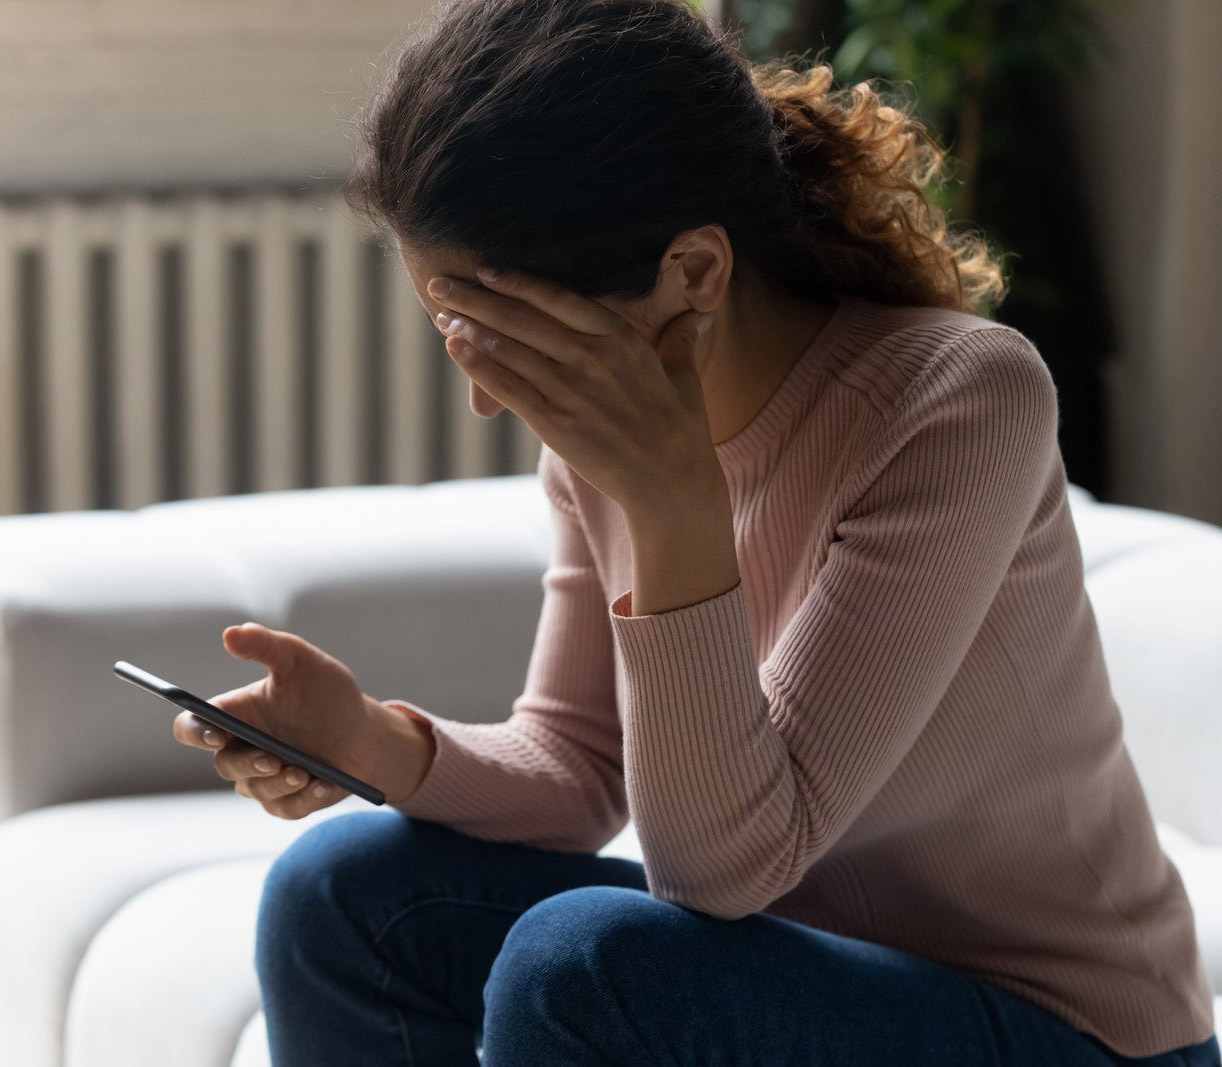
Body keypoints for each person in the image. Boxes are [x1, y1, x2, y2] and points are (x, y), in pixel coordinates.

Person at [172, 0, 1222, 1062]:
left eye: (507, 335)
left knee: (582, 959)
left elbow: (723, 869)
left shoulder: (953, 400)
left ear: (693, 274)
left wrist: (675, 503)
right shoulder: (591, 441)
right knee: (345, 891)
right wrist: (371, 742)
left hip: (1062, 1027)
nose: (487, 391)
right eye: (454, 330)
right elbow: (582, 763)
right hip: (792, 972)